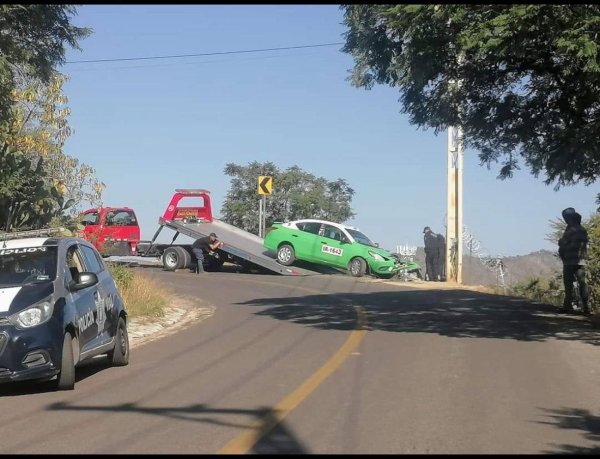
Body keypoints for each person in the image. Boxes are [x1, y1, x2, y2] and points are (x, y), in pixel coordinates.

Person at [558, 207, 590, 315]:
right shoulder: (583, 229)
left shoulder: (570, 230)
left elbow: (562, 244)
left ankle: (567, 306)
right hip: (581, 260)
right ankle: (586, 307)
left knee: (568, 284)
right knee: (582, 283)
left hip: (569, 260)